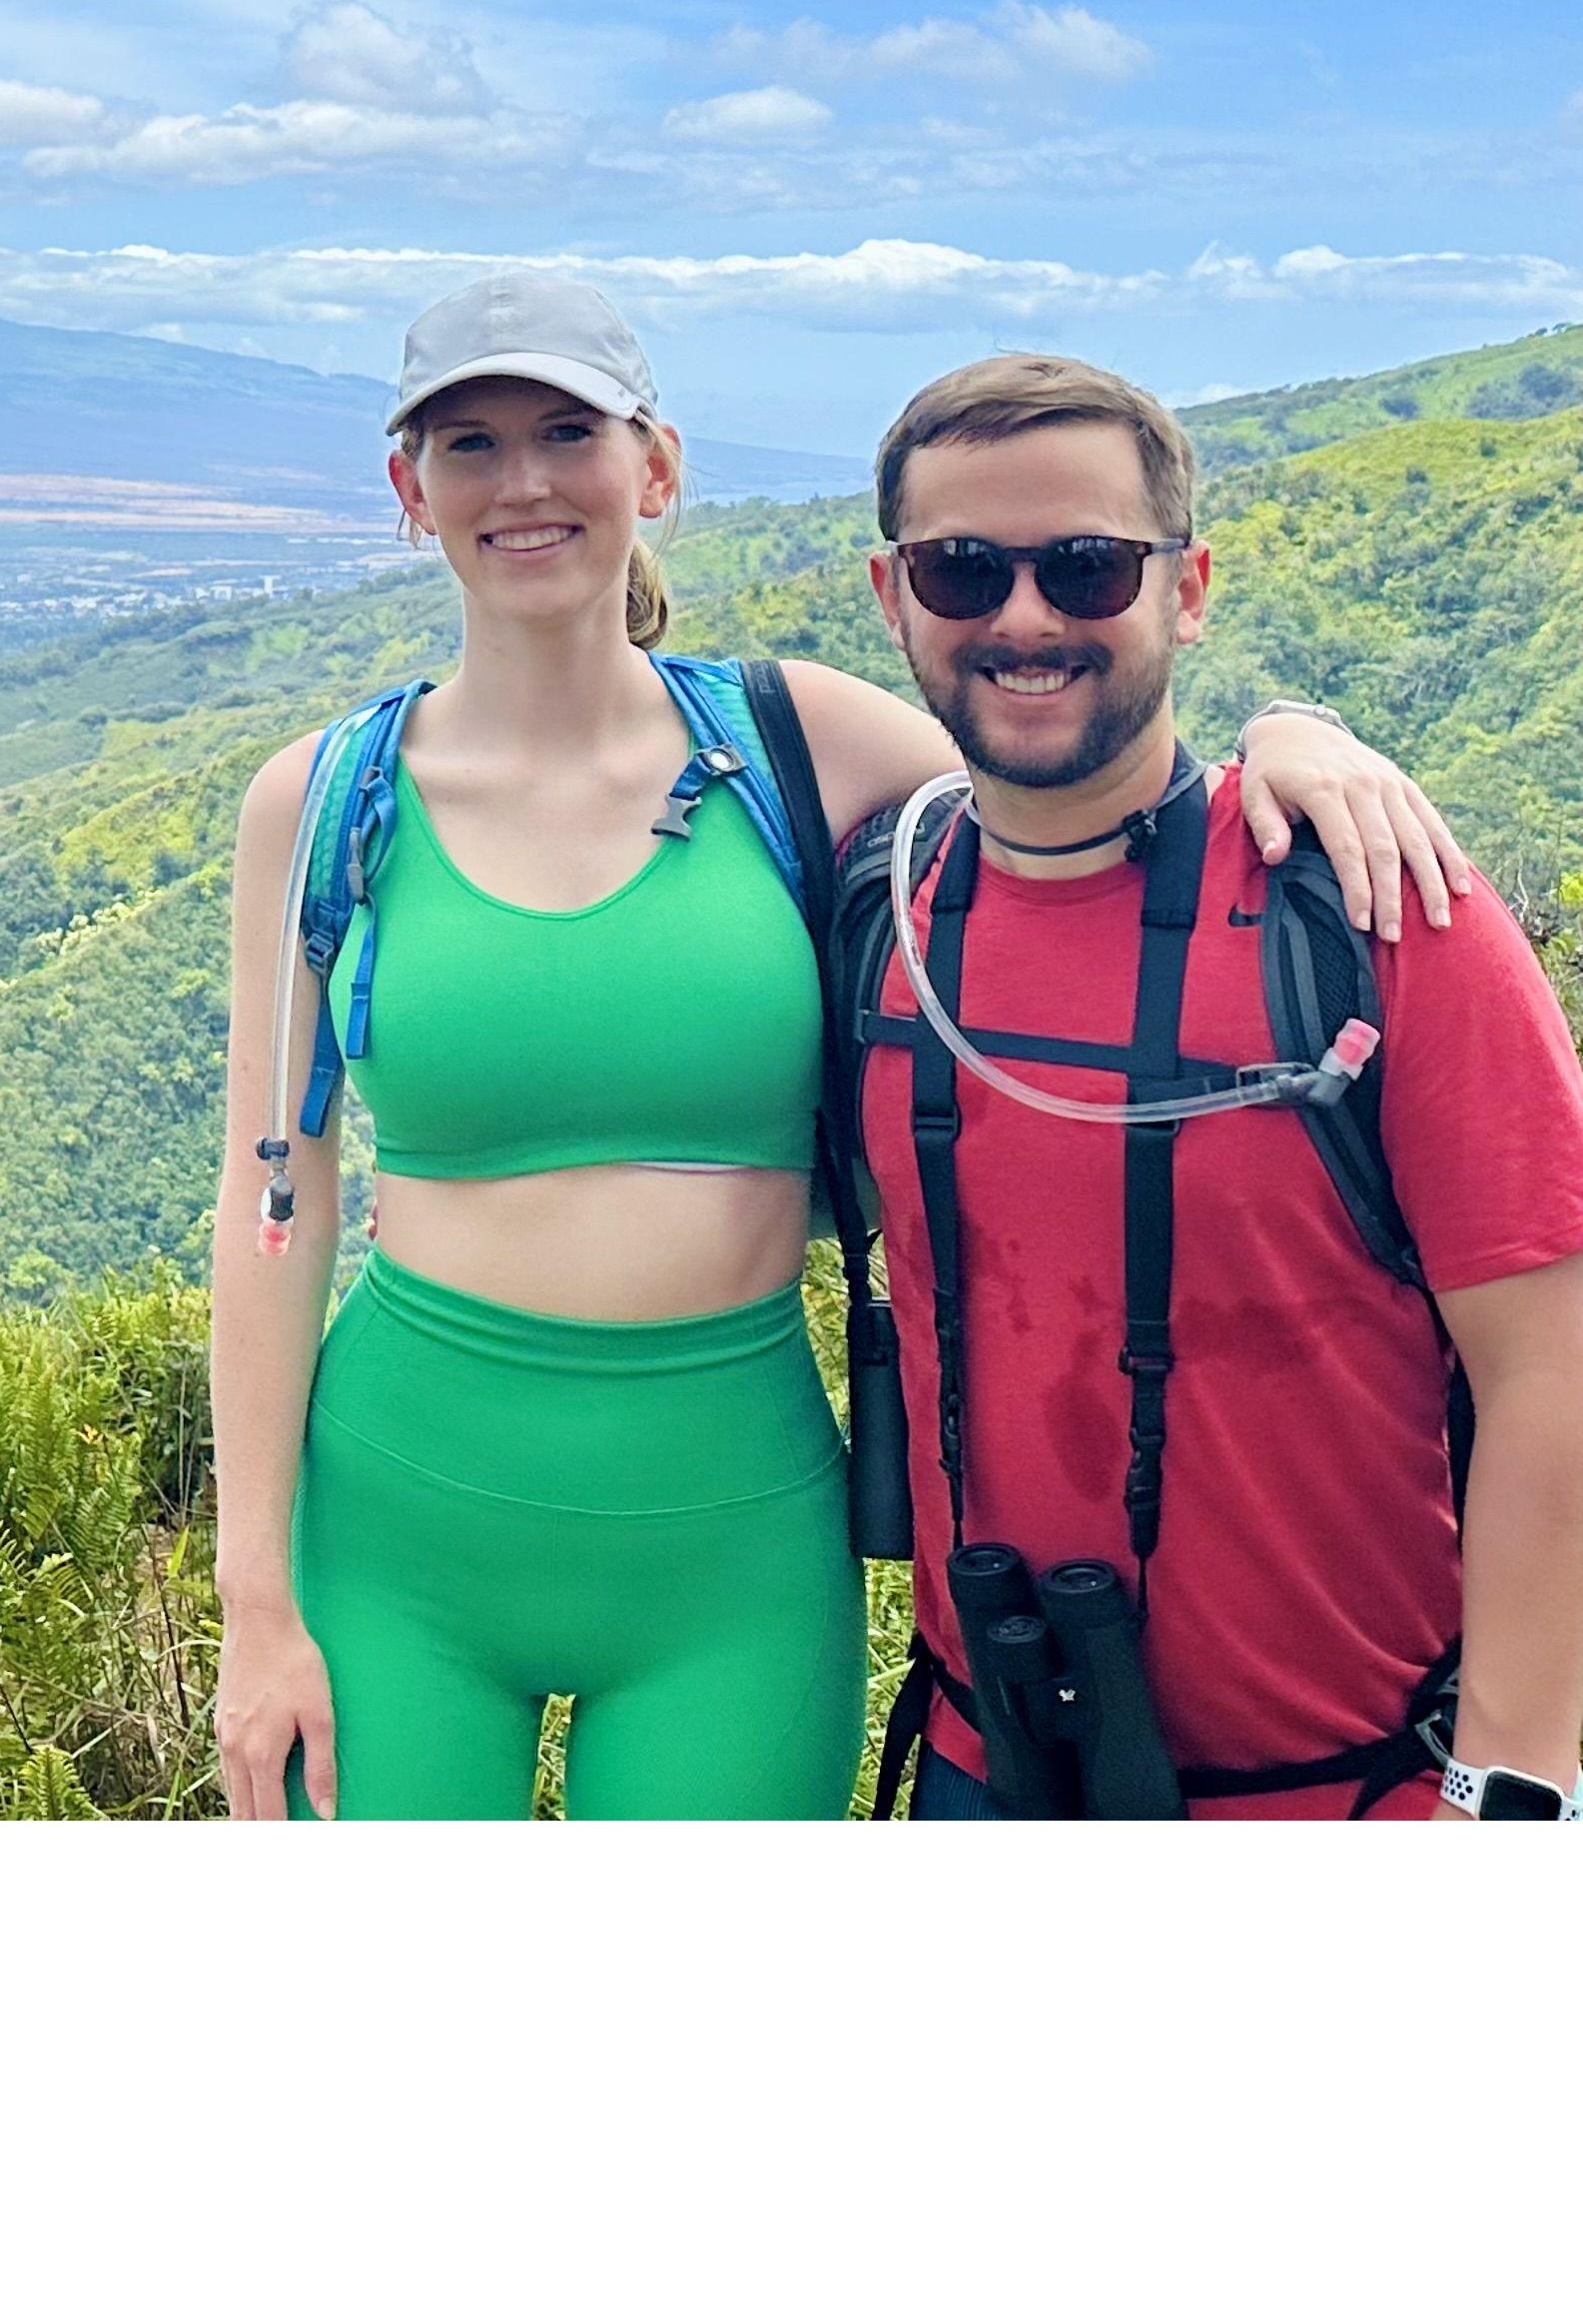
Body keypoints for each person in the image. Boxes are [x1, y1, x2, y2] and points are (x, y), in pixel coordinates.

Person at [207, 269, 1462, 1822]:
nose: (522, 481)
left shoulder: (798, 747)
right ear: (411, 490)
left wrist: (1293, 733)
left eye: (565, 431)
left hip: (730, 1536)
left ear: (654, 467)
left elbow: (1084, 774)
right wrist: (255, 1606)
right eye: (468, 444)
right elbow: (273, 1209)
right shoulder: (323, 804)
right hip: (397, 1519)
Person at [850, 353, 1583, 1818]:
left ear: (1185, 592)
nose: (1025, 617)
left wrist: (1514, 1788)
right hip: (983, 1767)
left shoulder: (1377, 915)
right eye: (962, 570)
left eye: (1089, 566)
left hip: (1351, 1798)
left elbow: (1550, 1367)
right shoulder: (878, 911)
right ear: (893, 599)